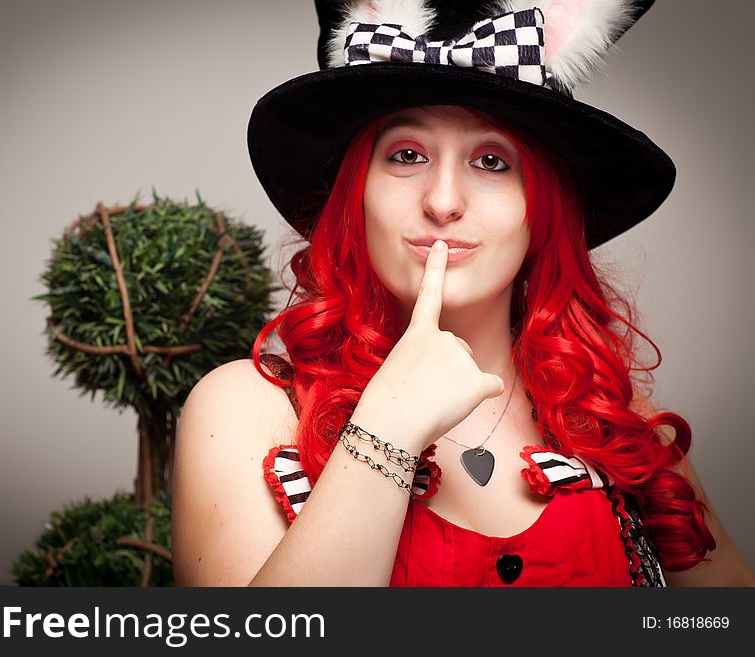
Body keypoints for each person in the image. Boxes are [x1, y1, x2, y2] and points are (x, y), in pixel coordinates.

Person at [171, 0, 755, 586]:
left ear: (542, 210)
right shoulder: (247, 413)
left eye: (492, 161)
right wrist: (386, 430)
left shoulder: (623, 430)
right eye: (406, 155)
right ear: (357, 196)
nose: (443, 201)